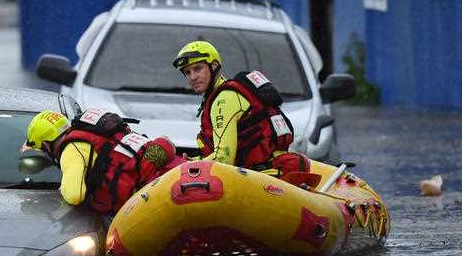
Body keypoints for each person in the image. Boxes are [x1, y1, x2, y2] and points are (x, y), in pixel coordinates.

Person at [172, 40, 310, 175]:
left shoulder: (224, 99)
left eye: (197, 69)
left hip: (266, 175)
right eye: (187, 72)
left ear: (213, 66)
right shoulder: (229, 92)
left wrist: (187, 167)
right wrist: (195, 160)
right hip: (271, 170)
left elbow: (224, 158)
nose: (193, 77)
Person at [21, 108, 180, 216]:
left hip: (156, 193)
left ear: (46, 145)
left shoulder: (71, 149)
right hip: (174, 171)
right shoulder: (94, 135)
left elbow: (74, 195)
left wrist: (61, 189)